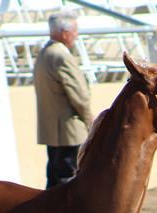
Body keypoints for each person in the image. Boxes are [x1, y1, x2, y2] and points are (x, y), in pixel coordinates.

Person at [34, 11, 94, 189]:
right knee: (69, 179)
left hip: (52, 129)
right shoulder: (62, 56)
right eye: (75, 30)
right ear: (65, 32)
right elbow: (79, 95)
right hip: (68, 130)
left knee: (54, 177)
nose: (76, 34)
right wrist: (88, 118)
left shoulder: (44, 54)